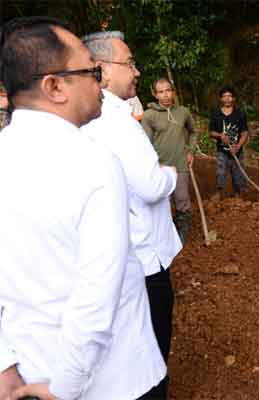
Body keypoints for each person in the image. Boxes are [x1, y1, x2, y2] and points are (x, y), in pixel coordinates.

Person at [0, 17, 165, 400]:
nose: (100, 81)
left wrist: (5, 364)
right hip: (115, 382)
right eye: (91, 71)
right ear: (54, 86)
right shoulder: (95, 163)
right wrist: (64, 388)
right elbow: (96, 295)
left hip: (25, 377)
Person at [81, 31, 182, 399]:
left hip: (124, 252)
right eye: (130, 63)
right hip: (145, 257)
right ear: (102, 70)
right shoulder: (115, 119)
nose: (136, 71)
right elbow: (151, 184)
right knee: (152, 350)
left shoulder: (92, 116)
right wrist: (169, 174)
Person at [142, 77, 197, 244]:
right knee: (161, 202)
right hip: (160, 167)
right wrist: (152, 165)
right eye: (160, 92)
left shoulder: (183, 112)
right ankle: (164, 235)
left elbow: (193, 132)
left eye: (168, 90)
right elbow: (145, 143)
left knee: (182, 200)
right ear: (155, 94)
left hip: (180, 164)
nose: (165, 95)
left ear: (173, 92)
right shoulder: (149, 115)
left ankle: (181, 236)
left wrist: (190, 151)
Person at [208, 86, 249, 200]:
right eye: (224, 96)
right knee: (220, 172)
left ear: (234, 98)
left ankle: (238, 195)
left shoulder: (240, 114)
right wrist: (220, 136)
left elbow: (245, 133)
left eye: (229, 96)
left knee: (238, 174)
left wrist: (238, 146)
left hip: (237, 151)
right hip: (222, 151)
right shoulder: (216, 114)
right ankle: (219, 192)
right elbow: (211, 132)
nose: (227, 99)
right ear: (221, 99)